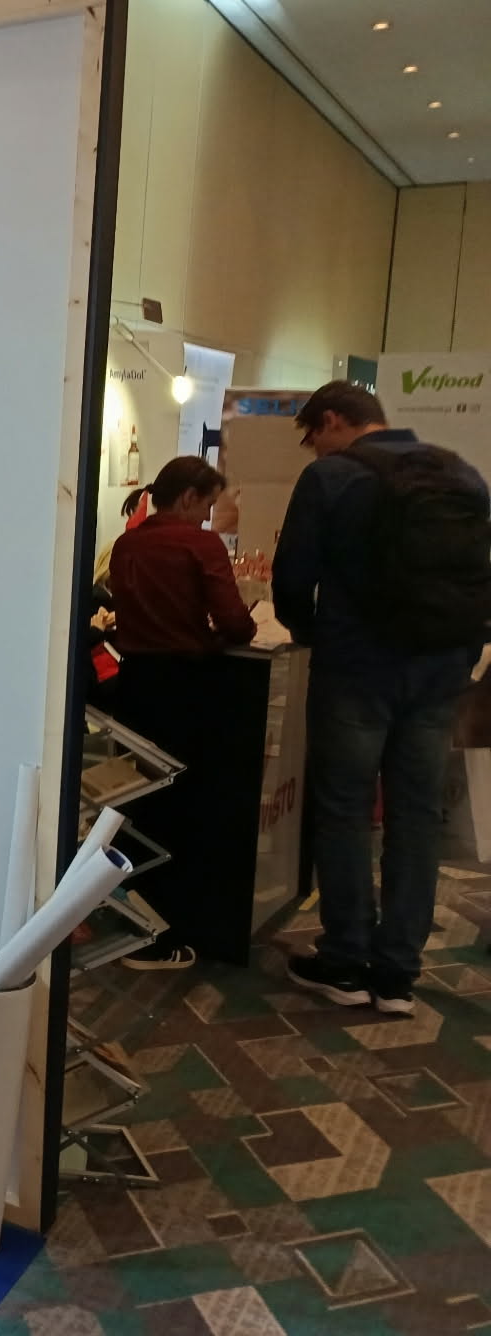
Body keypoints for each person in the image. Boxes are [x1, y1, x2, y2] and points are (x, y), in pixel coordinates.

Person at [274, 381, 491, 1015]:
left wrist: (316, 636)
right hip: (440, 671)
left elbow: (292, 582)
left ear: (332, 420)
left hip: (356, 670)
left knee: (344, 811)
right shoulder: (462, 474)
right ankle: (397, 973)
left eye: (313, 437)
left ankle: (345, 961)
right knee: (416, 816)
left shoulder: (331, 479)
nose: (315, 450)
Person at [104, 456, 257, 971]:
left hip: (135, 684)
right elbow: (235, 623)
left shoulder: (127, 544)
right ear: (189, 497)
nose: (209, 515)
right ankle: (168, 926)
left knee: (140, 802)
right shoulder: (199, 544)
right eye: (208, 504)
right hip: (188, 688)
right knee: (185, 807)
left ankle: (133, 917)